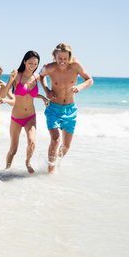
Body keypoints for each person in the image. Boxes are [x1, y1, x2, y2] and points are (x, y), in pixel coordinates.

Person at [39, 43, 94, 173]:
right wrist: (46, 90)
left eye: (65, 58)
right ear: (55, 57)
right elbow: (40, 76)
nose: (62, 61)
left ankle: (56, 163)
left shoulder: (75, 66)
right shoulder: (49, 68)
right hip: (53, 108)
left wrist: (79, 87)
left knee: (66, 145)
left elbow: (89, 80)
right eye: (60, 58)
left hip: (70, 110)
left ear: (69, 57)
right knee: (55, 139)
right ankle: (50, 171)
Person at [0, 51, 50, 174]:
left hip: (30, 117)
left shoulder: (36, 77)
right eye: (30, 63)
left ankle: (27, 162)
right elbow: (2, 94)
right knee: (13, 149)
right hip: (16, 117)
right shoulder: (17, 76)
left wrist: (43, 97)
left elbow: (31, 94)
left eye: (35, 64)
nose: (32, 66)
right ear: (24, 62)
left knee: (32, 142)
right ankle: (6, 170)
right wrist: (10, 80)